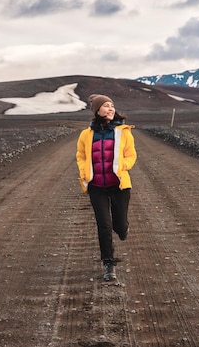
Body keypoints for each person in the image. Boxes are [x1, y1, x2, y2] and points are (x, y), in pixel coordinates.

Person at [76, 94, 137, 281]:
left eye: (112, 105)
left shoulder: (123, 131)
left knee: (119, 225)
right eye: (106, 106)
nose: (110, 109)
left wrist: (121, 166)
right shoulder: (86, 134)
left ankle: (123, 229)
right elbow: (81, 155)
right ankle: (108, 264)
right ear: (97, 110)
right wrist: (84, 171)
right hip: (97, 187)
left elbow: (131, 155)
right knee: (104, 225)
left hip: (118, 185)